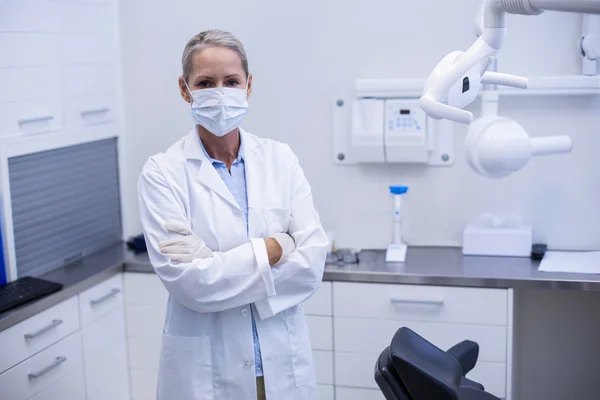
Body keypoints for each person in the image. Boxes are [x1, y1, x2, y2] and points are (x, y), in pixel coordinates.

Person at [137, 29, 328, 400]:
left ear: (248, 85)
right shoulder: (162, 172)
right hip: (206, 375)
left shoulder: (280, 159)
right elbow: (190, 285)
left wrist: (216, 263)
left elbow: (311, 266)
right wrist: (276, 247)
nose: (220, 92)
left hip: (281, 365)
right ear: (184, 88)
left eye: (231, 81)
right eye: (206, 83)